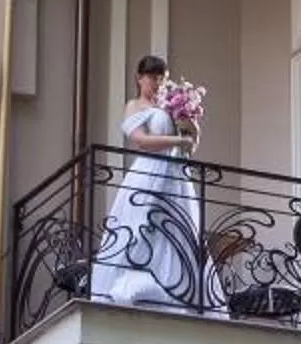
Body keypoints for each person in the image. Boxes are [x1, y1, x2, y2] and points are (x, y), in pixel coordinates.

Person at [90, 53, 217, 312]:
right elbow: (141, 140)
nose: (157, 84)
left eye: (162, 78)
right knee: (141, 224)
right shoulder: (135, 106)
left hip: (176, 174)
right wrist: (177, 140)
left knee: (180, 227)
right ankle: (133, 289)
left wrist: (190, 126)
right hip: (149, 171)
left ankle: (179, 293)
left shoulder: (169, 104)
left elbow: (191, 145)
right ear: (139, 78)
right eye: (152, 78)